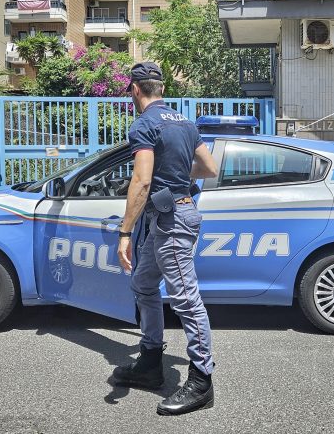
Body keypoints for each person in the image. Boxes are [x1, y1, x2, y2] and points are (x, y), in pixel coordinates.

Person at [114, 62, 219, 415]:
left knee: (186, 300)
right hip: (174, 214)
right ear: (161, 89)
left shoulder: (144, 124)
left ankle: (202, 381)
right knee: (144, 284)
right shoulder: (185, 123)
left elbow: (141, 182)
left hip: (171, 220)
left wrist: (125, 232)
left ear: (135, 90)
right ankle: (150, 362)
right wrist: (176, 175)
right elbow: (208, 169)